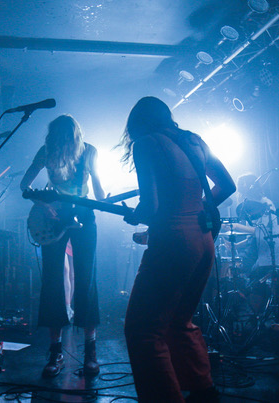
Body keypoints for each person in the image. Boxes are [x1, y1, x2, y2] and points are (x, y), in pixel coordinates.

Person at [120, 97, 235, 403]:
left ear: (137, 123)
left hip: (173, 243)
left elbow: (151, 207)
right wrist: (199, 208)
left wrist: (136, 214)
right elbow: (227, 185)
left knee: (143, 330)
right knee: (178, 322)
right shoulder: (194, 141)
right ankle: (204, 392)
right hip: (203, 242)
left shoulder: (145, 143)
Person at [20, 114, 105, 377]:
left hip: (82, 214)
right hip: (55, 217)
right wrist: (44, 204)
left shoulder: (88, 152)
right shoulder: (47, 152)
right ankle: (56, 351)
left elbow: (99, 192)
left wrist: (105, 201)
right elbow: (25, 185)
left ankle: (89, 351)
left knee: (84, 279)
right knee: (54, 280)